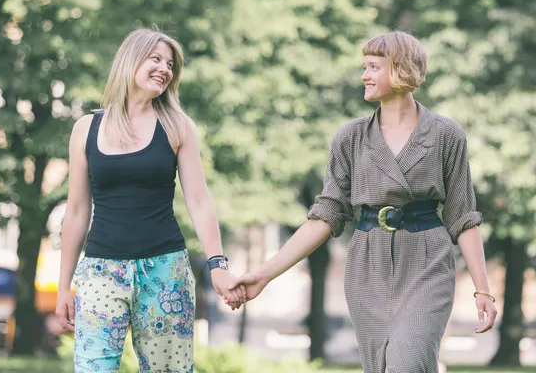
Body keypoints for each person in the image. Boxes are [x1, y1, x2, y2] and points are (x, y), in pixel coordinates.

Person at [229, 31, 497, 372]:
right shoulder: (350, 138)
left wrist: (483, 291)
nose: (364, 75)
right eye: (364, 67)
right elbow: (325, 216)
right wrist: (264, 275)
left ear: (399, 69)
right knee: (382, 366)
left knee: (408, 361)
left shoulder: (446, 134)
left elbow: (463, 217)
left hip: (427, 262)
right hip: (368, 266)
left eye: (373, 67)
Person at [55, 27, 244, 372]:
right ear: (130, 61)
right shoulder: (86, 128)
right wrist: (63, 286)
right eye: (155, 59)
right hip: (100, 272)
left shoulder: (177, 126)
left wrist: (217, 264)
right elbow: (77, 211)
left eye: (170, 64)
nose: (164, 69)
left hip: (165, 271)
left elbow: (199, 201)